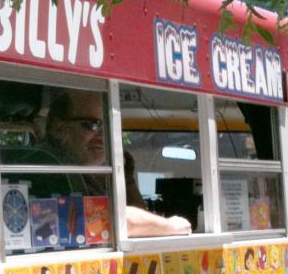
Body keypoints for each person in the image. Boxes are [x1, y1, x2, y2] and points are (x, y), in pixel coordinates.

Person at [43, 90, 192, 237]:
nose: (102, 135)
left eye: (106, 126)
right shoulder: (49, 166)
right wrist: (171, 225)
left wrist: (126, 177)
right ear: (58, 127)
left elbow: (137, 218)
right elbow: (109, 220)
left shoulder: (86, 173)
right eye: (92, 125)